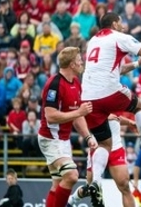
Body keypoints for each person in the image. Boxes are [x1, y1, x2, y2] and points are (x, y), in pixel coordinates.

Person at [81, 12, 141, 207]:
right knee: (139, 105)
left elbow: (113, 69)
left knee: (104, 144)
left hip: (88, 97)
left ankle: (97, 182)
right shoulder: (119, 37)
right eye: (121, 22)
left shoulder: (93, 40)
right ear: (115, 23)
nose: (124, 26)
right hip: (107, 91)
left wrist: (135, 64)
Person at [37, 47, 97, 207]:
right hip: (50, 138)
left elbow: (77, 116)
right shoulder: (54, 84)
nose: (81, 62)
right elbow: (50, 115)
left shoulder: (76, 82)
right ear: (71, 64)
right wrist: (78, 112)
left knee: (58, 184)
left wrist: (88, 136)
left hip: (63, 140)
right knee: (71, 176)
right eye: (79, 59)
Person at [67, 114, 136, 207]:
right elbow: (81, 116)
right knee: (90, 189)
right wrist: (103, 117)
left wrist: (129, 122)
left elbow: (116, 117)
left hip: (116, 149)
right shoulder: (90, 100)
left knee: (125, 186)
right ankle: (71, 201)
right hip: (97, 147)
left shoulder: (115, 101)